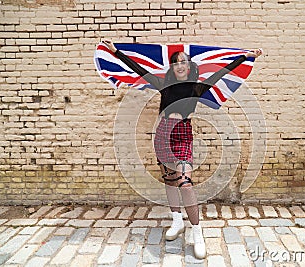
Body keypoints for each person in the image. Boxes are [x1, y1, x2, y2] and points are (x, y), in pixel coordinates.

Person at [103, 39, 262, 259]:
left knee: (185, 184)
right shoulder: (162, 84)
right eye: (176, 62)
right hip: (163, 136)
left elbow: (222, 71)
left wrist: (246, 56)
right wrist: (116, 51)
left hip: (183, 136)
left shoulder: (197, 87)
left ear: (189, 67)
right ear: (172, 67)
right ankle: (177, 222)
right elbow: (138, 68)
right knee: (169, 181)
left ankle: (197, 232)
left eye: (184, 62)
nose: (180, 65)